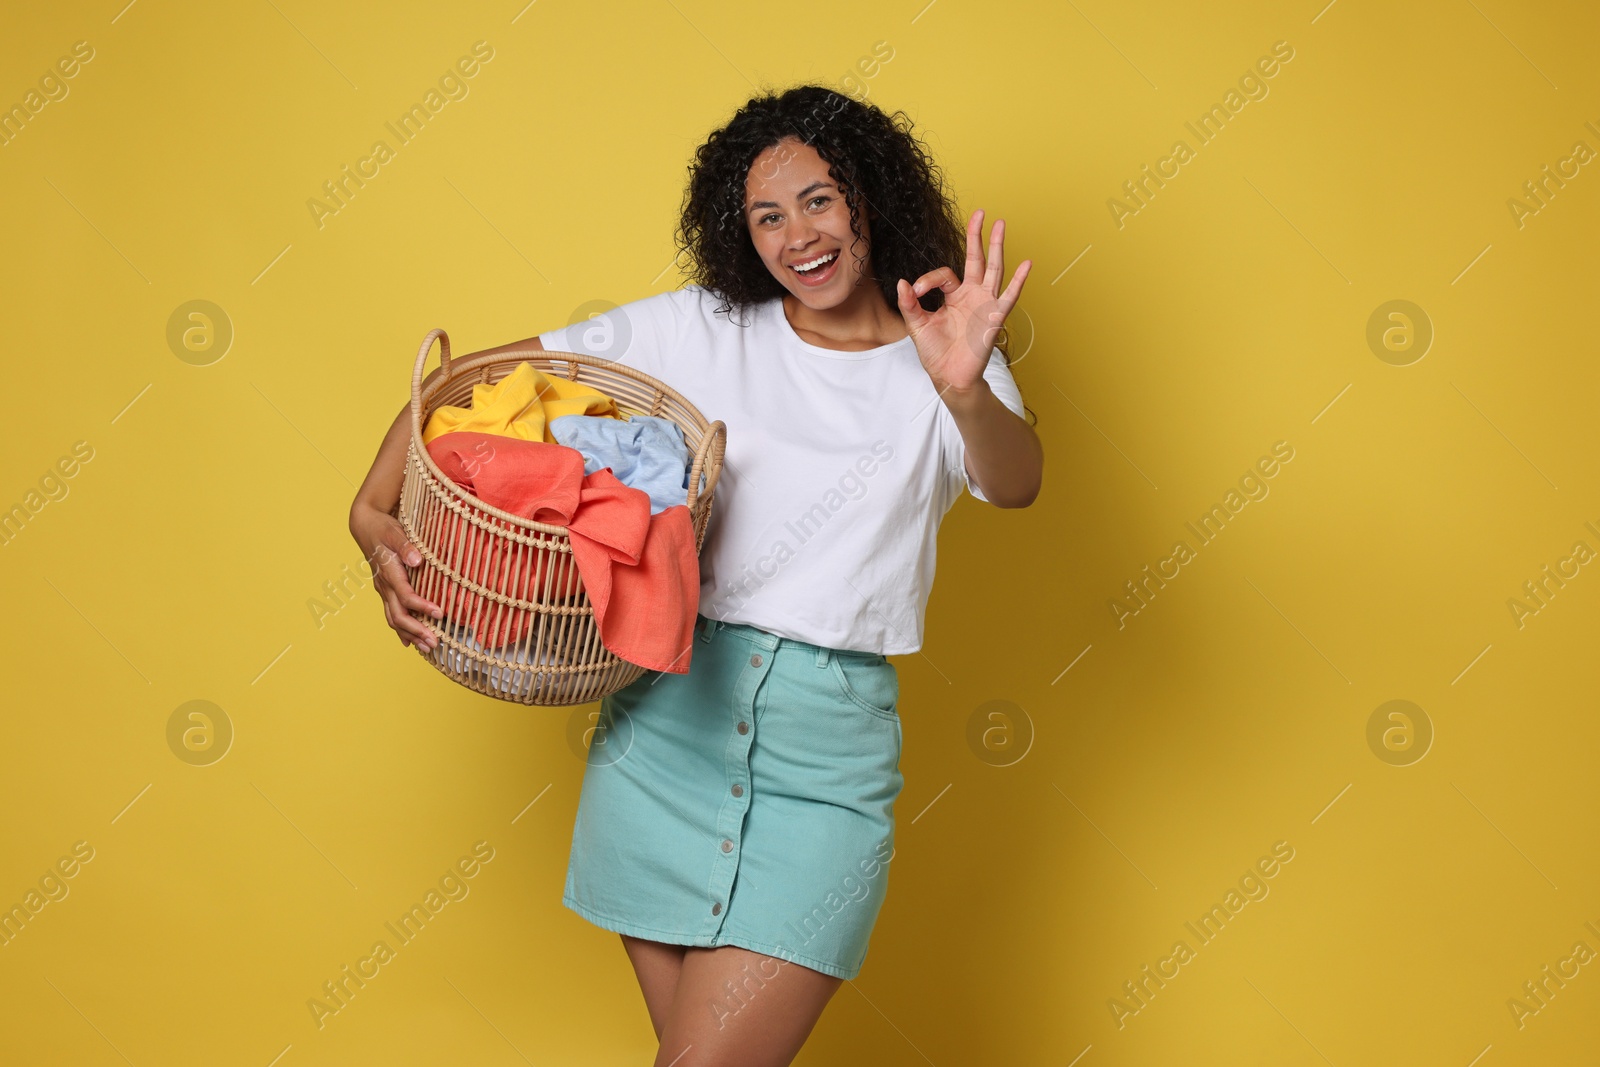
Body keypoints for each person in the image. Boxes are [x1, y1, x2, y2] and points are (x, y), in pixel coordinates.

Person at [349, 84, 1043, 1067]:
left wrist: (964, 388)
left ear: (869, 198)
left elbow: (1013, 482)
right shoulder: (706, 324)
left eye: (818, 198)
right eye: (766, 215)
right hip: (665, 725)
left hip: (826, 758)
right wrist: (367, 507)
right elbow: (487, 377)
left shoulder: (945, 344)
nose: (796, 234)